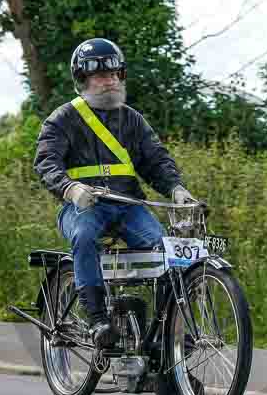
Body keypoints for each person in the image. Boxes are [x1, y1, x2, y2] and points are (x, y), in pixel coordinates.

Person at [34, 38, 196, 352]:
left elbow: (156, 160)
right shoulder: (63, 119)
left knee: (167, 254)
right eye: (100, 75)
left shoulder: (132, 119)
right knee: (83, 236)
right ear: (83, 79)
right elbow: (46, 162)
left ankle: (167, 335)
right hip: (84, 206)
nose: (109, 80)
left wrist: (176, 189)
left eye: (114, 73)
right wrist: (69, 188)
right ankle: (98, 321)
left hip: (129, 207)